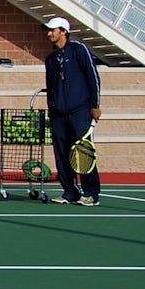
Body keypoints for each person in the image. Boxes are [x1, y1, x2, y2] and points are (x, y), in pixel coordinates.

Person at [43, 16, 102, 206]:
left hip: (80, 112)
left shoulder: (79, 50)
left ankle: (91, 193)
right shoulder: (51, 59)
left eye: (53, 30)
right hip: (58, 115)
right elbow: (50, 87)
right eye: (49, 30)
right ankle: (69, 191)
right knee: (61, 154)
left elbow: (93, 77)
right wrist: (52, 111)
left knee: (83, 153)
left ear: (64, 31)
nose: (49, 33)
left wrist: (95, 105)